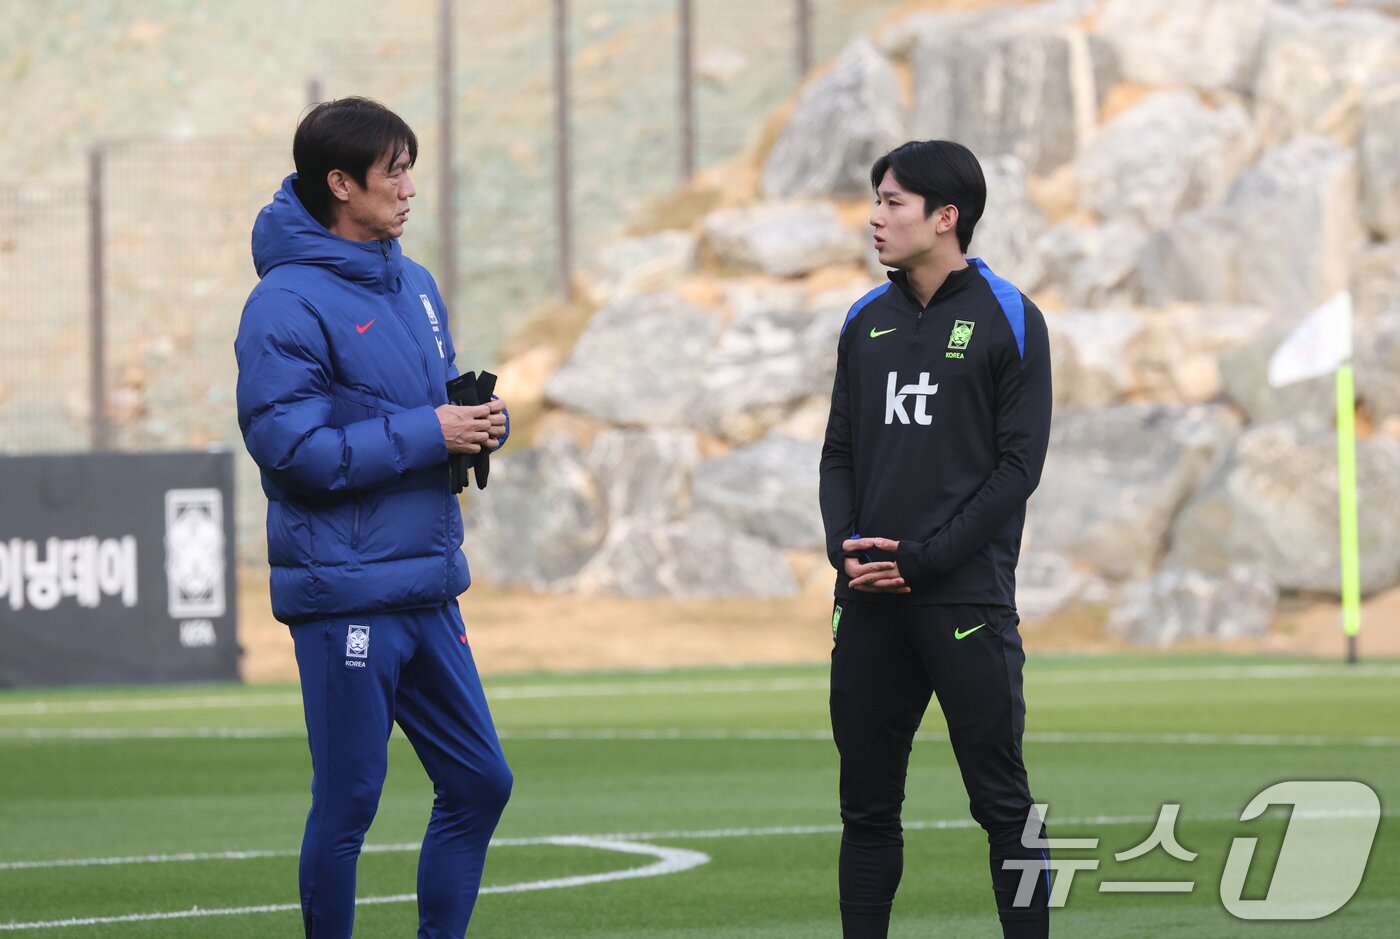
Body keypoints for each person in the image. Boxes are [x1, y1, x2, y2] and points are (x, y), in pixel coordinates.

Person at [235, 97, 512, 939]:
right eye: (394, 170)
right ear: (340, 183)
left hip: (427, 580)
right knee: (351, 799)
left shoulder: (416, 285)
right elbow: (293, 452)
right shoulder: (283, 303)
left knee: (479, 782)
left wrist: (477, 422)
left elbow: (426, 410)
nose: (409, 187)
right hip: (345, 590)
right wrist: (430, 430)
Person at [819, 139, 1054, 939]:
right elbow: (840, 451)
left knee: (1003, 806)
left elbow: (1018, 469)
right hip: (870, 602)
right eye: (877, 199)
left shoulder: (1009, 316)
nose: (876, 217)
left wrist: (923, 558)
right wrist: (843, 548)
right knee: (867, 809)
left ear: (945, 218)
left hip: (963, 599)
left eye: (893, 202)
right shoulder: (864, 320)